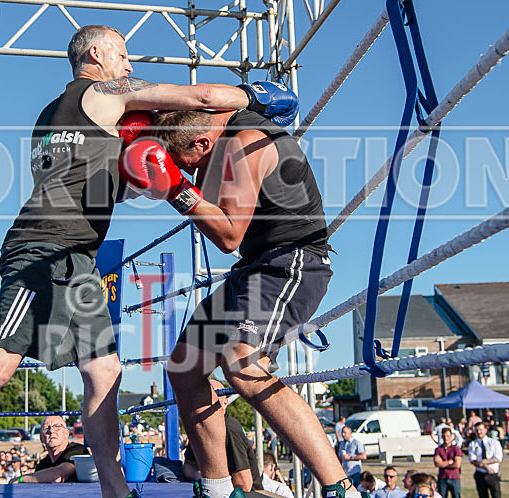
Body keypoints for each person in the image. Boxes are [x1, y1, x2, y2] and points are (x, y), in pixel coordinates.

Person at [0, 23, 296, 498]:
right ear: (96, 54)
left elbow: (100, 188)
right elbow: (201, 96)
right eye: (123, 54)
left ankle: (114, 490)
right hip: (44, 251)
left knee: (104, 372)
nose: (130, 67)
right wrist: (251, 96)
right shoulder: (108, 90)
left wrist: (148, 172)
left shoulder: (52, 116)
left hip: (78, 259)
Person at [141, 108, 353, 498]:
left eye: (187, 163)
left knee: (241, 362)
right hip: (252, 269)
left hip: (291, 262)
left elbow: (228, 236)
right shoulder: (213, 136)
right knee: (184, 367)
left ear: (202, 143)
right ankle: (218, 488)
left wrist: (175, 189)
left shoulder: (243, 145)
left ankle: (340, 488)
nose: (188, 173)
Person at [183, 380, 263, 494]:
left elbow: (244, 484)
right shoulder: (200, 428)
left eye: (213, 398)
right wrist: (205, 478)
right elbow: (188, 467)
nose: (205, 403)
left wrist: (214, 482)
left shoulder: (230, 430)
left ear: (225, 403)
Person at [15, 415, 89, 483]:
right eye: (46, 428)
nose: (51, 431)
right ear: (41, 438)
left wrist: (20, 479)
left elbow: (59, 475)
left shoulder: (78, 450)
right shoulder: (42, 465)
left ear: (66, 433)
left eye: (57, 426)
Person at [468, 422, 503, 498]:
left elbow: (497, 458)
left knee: (496, 495)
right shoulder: (473, 444)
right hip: (480, 474)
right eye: (477, 430)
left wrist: (484, 462)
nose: (479, 432)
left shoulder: (494, 443)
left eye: (481, 430)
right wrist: (486, 466)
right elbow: (473, 460)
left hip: (493, 475)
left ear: (485, 430)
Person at [433, 428, 461, 498]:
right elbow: (437, 463)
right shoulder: (438, 449)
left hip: (454, 478)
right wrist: (449, 462)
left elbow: (457, 464)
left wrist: (443, 463)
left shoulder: (456, 449)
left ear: (451, 436)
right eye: (444, 436)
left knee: (456, 496)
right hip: (442, 478)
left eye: (448, 436)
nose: (446, 438)